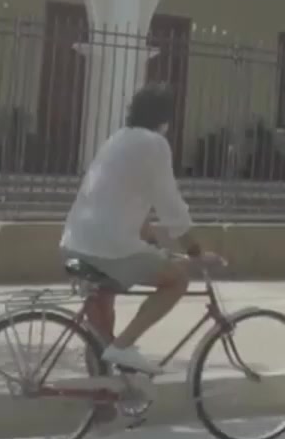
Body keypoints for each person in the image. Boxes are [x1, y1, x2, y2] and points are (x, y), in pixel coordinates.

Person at [59, 84, 201, 375]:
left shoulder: (116, 139)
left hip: (73, 245)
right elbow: (169, 203)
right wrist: (195, 250)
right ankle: (124, 347)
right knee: (177, 280)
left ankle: (103, 394)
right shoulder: (154, 144)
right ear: (165, 118)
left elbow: (125, 205)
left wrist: (155, 247)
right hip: (107, 249)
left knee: (100, 332)